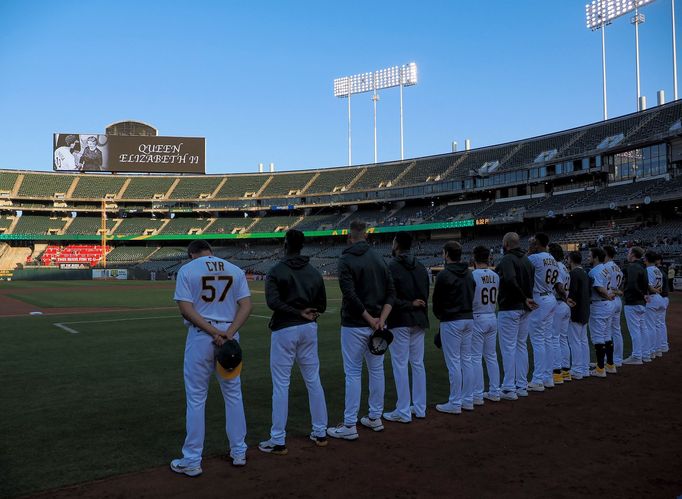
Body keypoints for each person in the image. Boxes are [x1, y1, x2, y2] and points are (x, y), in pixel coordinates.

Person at [170, 240, 252, 476]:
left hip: (201, 338)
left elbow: (186, 309)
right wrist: (228, 333)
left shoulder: (188, 269)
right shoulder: (234, 269)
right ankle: (239, 452)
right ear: (211, 252)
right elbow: (246, 305)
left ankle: (193, 460)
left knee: (196, 398)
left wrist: (213, 332)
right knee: (234, 395)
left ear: (191, 254)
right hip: (229, 338)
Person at [259, 230, 329, 455]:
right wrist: (306, 313)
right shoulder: (314, 272)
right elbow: (322, 306)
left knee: (281, 384)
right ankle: (320, 432)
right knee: (313, 380)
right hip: (309, 329)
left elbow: (273, 302)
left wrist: (296, 312)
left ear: (285, 244)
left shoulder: (276, 270)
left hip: (284, 329)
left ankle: (278, 439)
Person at [327, 220, 395, 440]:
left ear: (350, 237)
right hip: (378, 324)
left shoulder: (346, 258)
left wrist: (369, 319)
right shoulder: (379, 257)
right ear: (366, 235)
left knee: (353, 373)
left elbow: (350, 295)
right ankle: (375, 417)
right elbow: (391, 292)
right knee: (376, 370)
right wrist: (380, 320)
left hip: (356, 324)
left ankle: (349, 425)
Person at [384, 231, 430, 422]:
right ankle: (419, 408)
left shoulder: (391, 266)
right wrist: (414, 305)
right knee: (417, 364)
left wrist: (408, 305)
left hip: (400, 320)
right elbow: (425, 295)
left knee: (400, 365)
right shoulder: (420, 266)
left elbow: (389, 297)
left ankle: (403, 411)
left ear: (396, 244)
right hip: (418, 320)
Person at [433, 241, 475, 414]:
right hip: (468, 318)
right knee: (467, 360)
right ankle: (468, 400)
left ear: (447, 254)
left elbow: (437, 303)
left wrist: (442, 316)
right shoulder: (469, 274)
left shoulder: (444, 275)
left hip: (451, 320)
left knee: (454, 362)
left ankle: (455, 402)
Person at [495, 232, 536, 401]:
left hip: (510, 307)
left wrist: (523, 297)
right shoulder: (527, 260)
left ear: (506, 244)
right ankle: (522, 385)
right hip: (524, 308)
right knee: (521, 346)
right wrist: (526, 299)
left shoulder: (507, 260)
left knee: (509, 348)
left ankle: (509, 388)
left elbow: (510, 280)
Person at [526, 233, 559, 390]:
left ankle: (538, 379)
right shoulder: (553, 259)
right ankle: (548, 377)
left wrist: (530, 251)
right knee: (547, 339)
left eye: (533, 242)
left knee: (538, 340)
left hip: (539, 299)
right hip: (551, 298)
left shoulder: (535, 257)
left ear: (537, 244)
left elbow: (522, 264)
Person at [470, 245, 501, 404]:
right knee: (491, 356)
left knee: (475, 357)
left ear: (474, 258)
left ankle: (477, 394)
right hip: (491, 315)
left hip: (477, 316)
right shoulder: (495, 275)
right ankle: (495, 391)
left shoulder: (472, 275)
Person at [587, 247, 615, 378]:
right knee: (607, 335)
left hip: (599, 305)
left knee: (598, 337)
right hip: (608, 305)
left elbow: (598, 287)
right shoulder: (605, 269)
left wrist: (607, 295)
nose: (588, 257)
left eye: (589, 255)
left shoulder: (595, 271)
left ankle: (600, 369)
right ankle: (610, 365)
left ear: (596, 257)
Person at [548, 242, 571, 383]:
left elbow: (560, 288)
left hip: (559, 303)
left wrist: (565, 298)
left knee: (554, 338)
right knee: (563, 338)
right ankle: (566, 371)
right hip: (564, 305)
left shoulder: (556, 266)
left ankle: (556, 372)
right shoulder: (564, 267)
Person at [622, 247, 649, 365]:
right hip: (641, 303)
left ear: (632, 254)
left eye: (629, 253)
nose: (627, 255)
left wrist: (628, 294)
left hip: (633, 302)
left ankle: (637, 356)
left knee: (635, 331)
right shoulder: (643, 266)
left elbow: (632, 285)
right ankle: (645, 354)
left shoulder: (633, 266)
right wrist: (644, 295)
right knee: (643, 329)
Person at [566, 251, 590, 379]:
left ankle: (577, 369)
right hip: (585, 309)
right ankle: (584, 368)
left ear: (571, 260)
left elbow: (572, 293)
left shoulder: (574, 273)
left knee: (575, 341)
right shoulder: (585, 272)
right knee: (583, 340)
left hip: (576, 309)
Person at [603, 245, 624, 367]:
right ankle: (617, 359)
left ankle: (607, 359)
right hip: (618, 300)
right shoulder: (617, 267)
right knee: (616, 330)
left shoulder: (605, 267)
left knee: (607, 331)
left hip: (609, 298)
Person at [644, 251, 665, 361]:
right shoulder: (658, 270)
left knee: (650, 326)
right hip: (659, 298)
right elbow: (659, 288)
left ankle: (651, 351)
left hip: (652, 299)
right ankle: (658, 349)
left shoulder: (647, 270)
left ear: (647, 259)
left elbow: (649, 287)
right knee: (657, 326)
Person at [656, 255, 670, 354]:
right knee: (661, 323)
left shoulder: (658, 270)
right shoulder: (663, 270)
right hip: (663, 297)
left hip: (660, 297)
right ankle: (663, 345)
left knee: (657, 323)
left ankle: (660, 346)